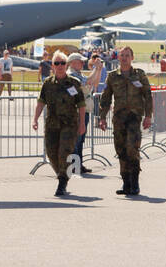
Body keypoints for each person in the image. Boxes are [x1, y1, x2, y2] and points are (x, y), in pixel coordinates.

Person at [97, 46, 153, 196]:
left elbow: (148, 95)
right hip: (119, 119)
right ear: (118, 58)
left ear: (132, 58)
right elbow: (106, 98)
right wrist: (102, 117)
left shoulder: (139, 75)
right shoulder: (113, 76)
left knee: (132, 148)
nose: (124, 58)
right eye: (122, 55)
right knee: (121, 150)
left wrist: (148, 116)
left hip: (134, 117)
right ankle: (126, 182)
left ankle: (135, 183)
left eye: (127, 55)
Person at [32, 51, 86, 197]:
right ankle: (63, 174)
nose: (60, 66)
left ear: (66, 65)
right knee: (51, 153)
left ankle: (62, 181)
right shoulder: (48, 83)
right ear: (53, 66)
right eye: (57, 63)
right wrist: (35, 119)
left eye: (62, 63)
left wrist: (82, 124)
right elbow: (40, 103)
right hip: (52, 124)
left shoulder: (74, 83)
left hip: (69, 124)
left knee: (64, 153)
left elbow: (81, 105)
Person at [67, 52, 101, 174]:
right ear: (72, 63)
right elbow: (87, 82)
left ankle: (79, 165)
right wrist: (96, 68)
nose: (82, 63)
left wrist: (98, 70)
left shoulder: (79, 74)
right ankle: (75, 166)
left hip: (84, 110)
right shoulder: (71, 75)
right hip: (77, 111)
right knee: (76, 139)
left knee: (80, 139)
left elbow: (94, 83)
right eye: (79, 61)